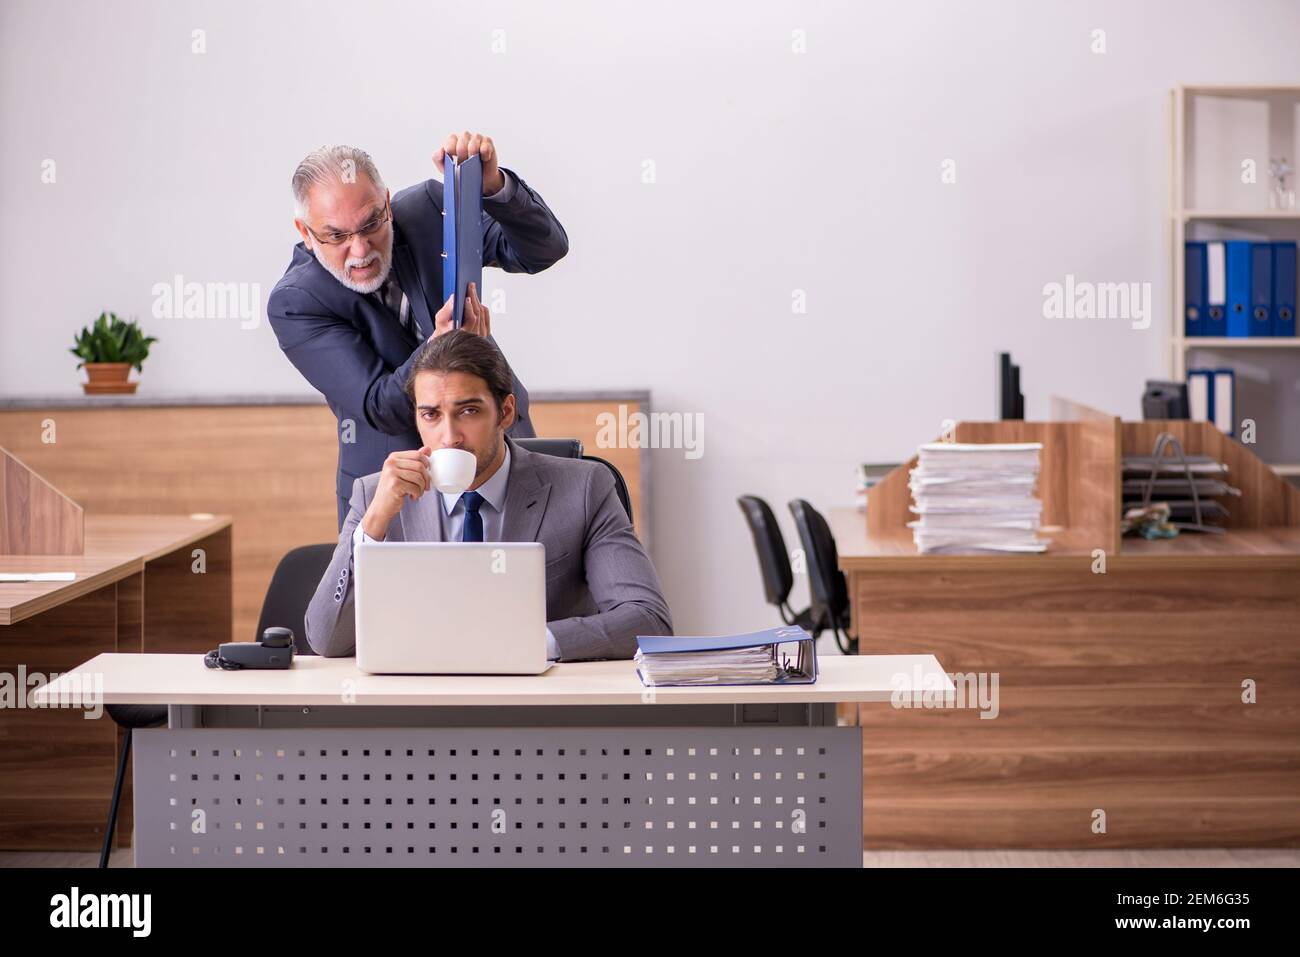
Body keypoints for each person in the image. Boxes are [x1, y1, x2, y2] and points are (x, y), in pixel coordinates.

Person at [305, 330, 672, 662]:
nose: (449, 437)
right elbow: (326, 640)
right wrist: (372, 528)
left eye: (468, 411)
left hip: (541, 714)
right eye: (431, 415)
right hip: (419, 715)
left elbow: (647, 620)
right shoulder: (375, 495)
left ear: (506, 412)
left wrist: (528, 643)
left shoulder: (585, 488)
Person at [268, 135, 569, 527]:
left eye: (371, 223)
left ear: (387, 203)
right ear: (306, 233)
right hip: (401, 489)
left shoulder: (429, 209)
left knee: (534, 583)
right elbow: (381, 405)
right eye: (337, 236)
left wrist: (494, 188)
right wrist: (439, 345)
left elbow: (542, 250)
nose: (361, 251)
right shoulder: (296, 302)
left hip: (503, 456)